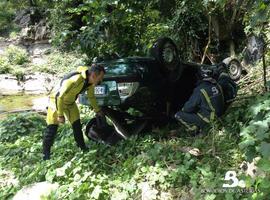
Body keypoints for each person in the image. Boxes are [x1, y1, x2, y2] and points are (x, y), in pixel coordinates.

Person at [42, 64, 105, 160]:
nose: (101, 81)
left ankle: (82, 148)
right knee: (52, 129)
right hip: (56, 101)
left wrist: (98, 110)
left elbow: (91, 97)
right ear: (93, 76)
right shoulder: (75, 79)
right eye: (100, 78)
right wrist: (60, 115)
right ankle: (45, 155)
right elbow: (59, 96)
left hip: (70, 103)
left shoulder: (89, 83)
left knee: (77, 126)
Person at [174, 67, 224, 135]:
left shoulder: (200, 89)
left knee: (178, 115)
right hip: (219, 116)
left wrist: (183, 109)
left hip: (208, 119)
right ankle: (200, 127)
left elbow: (188, 108)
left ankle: (195, 131)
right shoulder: (217, 85)